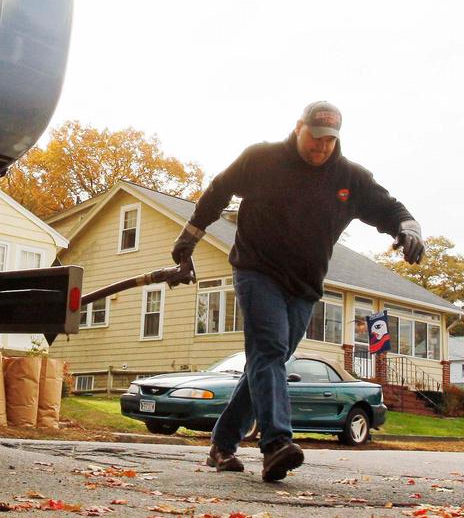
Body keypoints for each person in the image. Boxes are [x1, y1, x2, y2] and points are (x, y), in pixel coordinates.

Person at [171, 101, 423, 482]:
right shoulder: (262, 159)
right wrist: (189, 238)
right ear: (298, 128)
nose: (321, 148)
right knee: (269, 350)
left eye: (330, 142)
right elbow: (218, 191)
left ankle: (222, 444)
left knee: (266, 361)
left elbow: (389, 207)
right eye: (315, 139)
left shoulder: (350, 177)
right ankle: (275, 444)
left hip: (305, 284)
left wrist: (409, 228)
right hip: (257, 270)